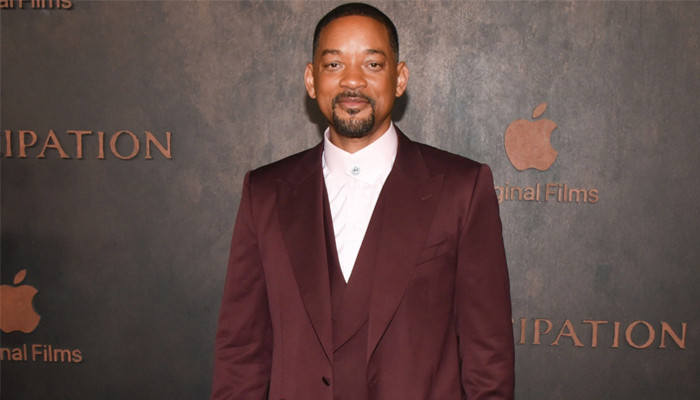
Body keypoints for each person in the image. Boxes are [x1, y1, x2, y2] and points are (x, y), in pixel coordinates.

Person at [211, 3, 514, 399]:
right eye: (334, 65)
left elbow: (488, 356)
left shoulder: (462, 188)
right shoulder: (265, 193)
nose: (352, 80)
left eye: (372, 64)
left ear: (399, 78)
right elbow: (241, 353)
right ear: (311, 79)